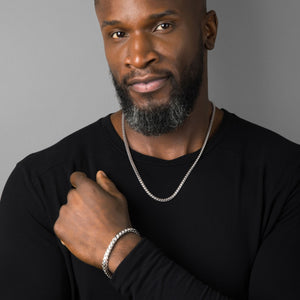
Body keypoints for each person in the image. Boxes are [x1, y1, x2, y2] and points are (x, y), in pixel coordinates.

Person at [0, 0, 299, 299]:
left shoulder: (286, 178)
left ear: (208, 30)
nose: (139, 57)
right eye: (118, 33)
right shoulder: (40, 186)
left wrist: (120, 251)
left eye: (162, 26)